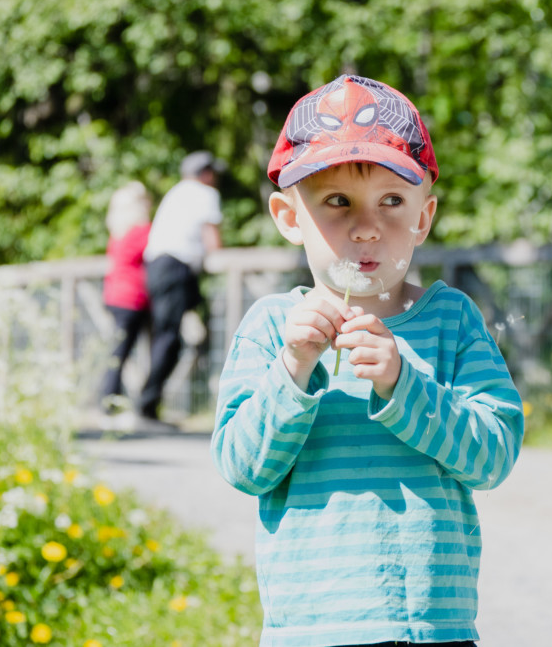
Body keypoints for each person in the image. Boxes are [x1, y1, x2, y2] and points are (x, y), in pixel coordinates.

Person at [211, 74, 524, 647]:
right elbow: (241, 467)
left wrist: (406, 385)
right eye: (337, 202)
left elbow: (494, 456)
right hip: (312, 629)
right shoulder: (271, 329)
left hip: (429, 628)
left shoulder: (450, 321)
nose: (366, 227)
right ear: (287, 216)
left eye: (392, 202)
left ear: (423, 217)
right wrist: (293, 370)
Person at [139, 150, 226, 422]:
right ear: (206, 173)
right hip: (175, 268)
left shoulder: (176, 192)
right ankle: (146, 405)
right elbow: (212, 240)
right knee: (168, 339)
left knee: (167, 336)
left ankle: (149, 403)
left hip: (157, 267)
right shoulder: (204, 193)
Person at [100, 181, 151, 414]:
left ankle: (110, 399)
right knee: (122, 352)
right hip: (133, 298)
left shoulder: (117, 231)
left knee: (118, 351)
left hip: (114, 295)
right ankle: (109, 400)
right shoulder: (142, 231)